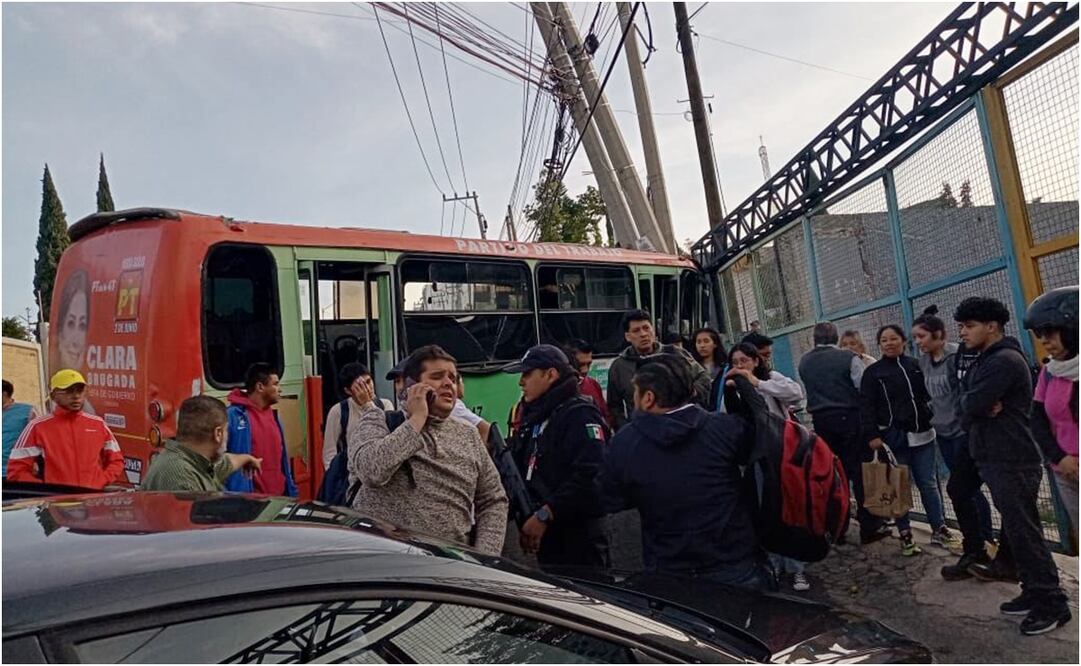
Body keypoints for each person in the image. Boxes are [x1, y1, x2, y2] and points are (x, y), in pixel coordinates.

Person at [600, 353, 772, 590]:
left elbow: (610, 498)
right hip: (736, 562)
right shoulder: (723, 428)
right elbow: (760, 434)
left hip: (670, 571)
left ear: (648, 398)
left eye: (635, 392)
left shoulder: (624, 443)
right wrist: (742, 389)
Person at [955, 297, 1070, 635]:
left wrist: (974, 404)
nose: (963, 332)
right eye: (961, 326)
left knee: (1025, 532)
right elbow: (966, 400)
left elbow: (969, 404)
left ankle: (1052, 603)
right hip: (995, 454)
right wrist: (973, 404)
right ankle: (1032, 591)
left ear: (992, 326)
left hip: (1012, 457)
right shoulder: (985, 360)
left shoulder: (1003, 361)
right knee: (1018, 531)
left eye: (969, 325)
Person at [348, 345, 508, 555]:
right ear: (411, 386)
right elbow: (372, 471)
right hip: (386, 563)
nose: (448, 383)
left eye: (452, 377)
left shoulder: (468, 435)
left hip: (450, 566)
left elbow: (493, 499)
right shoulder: (379, 421)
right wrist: (416, 419)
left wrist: (485, 556)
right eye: (437, 376)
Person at [503, 344, 610, 569]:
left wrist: (546, 513)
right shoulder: (537, 415)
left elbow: (592, 474)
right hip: (550, 537)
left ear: (551, 374)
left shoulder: (578, 413)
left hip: (579, 537)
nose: (521, 382)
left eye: (527, 374)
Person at [912, 307, 997, 579]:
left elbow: (967, 393)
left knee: (968, 488)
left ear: (938, 335)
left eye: (922, 336)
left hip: (963, 432)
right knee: (960, 489)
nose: (918, 342)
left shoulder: (957, 357)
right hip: (943, 432)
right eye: (915, 337)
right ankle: (975, 545)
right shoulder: (924, 361)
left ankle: (986, 539)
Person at [861, 324, 956, 556]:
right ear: (879, 345)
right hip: (894, 440)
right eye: (884, 340)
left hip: (923, 436)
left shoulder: (916, 365)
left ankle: (939, 528)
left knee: (929, 484)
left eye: (894, 338)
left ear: (903, 341)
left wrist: (930, 415)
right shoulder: (873, 373)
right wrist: (872, 435)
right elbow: (866, 407)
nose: (889, 343)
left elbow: (929, 395)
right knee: (898, 486)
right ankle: (904, 534)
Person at [723, 342, 809, 591]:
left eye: (744, 361)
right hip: (753, 457)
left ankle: (797, 568)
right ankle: (774, 562)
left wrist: (757, 383)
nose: (739, 366)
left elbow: (796, 393)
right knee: (764, 510)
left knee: (789, 509)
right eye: (735, 362)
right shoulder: (730, 386)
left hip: (782, 453)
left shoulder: (770, 379)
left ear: (755, 361)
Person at [799, 322, 888, 544]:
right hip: (850, 419)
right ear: (835, 337)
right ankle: (869, 527)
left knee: (835, 476)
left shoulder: (805, 361)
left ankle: (838, 528)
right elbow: (862, 387)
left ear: (814, 339)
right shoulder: (848, 358)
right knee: (860, 473)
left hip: (822, 422)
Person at [1024, 286, 1079, 554]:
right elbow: (1038, 420)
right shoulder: (1050, 373)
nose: (1044, 341)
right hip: (1066, 471)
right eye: (1040, 334)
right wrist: (1060, 458)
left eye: (1051, 332)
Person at [6, 369, 124, 488]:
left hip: (92, 501)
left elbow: (116, 461)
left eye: (80, 390)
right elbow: (17, 470)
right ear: (53, 396)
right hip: (56, 503)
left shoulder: (98, 424)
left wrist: (101, 481)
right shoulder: (38, 427)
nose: (76, 396)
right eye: (68, 391)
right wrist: (45, 491)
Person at [607, 309, 711, 430]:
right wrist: (626, 428)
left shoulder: (675, 353)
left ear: (653, 329)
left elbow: (703, 377)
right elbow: (614, 406)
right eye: (636, 331)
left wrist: (690, 393)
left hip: (681, 426)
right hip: (642, 431)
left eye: (646, 328)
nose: (643, 334)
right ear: (627, 337)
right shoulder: (619, 366)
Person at [141, 396, 262, 491]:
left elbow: (226, 463)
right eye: (226, 430)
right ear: (218, 434)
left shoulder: (194, 461)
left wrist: (248, 459)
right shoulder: (183, 479)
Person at [225, 363, 297, 496]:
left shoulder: (275, 418)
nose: (280, 389)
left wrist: (291, 490)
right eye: (275, 384)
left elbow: (283, 462)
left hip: (278, 498)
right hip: (248, 502)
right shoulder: (233, 416)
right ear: (260, 387)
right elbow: (220, 459)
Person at [323, 363, 391, 471]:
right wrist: (334, 477)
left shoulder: (385, 405)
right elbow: (329, 451)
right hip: (351, 474)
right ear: (348, 391)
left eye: (368, 382)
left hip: (380, 470)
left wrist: (368, 403)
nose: (367, 388)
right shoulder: (339, 411)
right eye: (360, 386)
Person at [562, 339, 613, 427]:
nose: (585, 370)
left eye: (589, 364)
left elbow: (606, 417)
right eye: (580, 365)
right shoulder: (556, 390)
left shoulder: (593, 384)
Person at [3, 379, 39, 476]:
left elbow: (38, 438)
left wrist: (35, 462)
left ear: (4, 394)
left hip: (16, 470)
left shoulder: (27, 411)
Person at [692, 327, 728, 411]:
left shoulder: (725, 368)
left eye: (706, 341)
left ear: (715, 344)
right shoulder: (690, 368)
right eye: (698, 342)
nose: (702, 345)